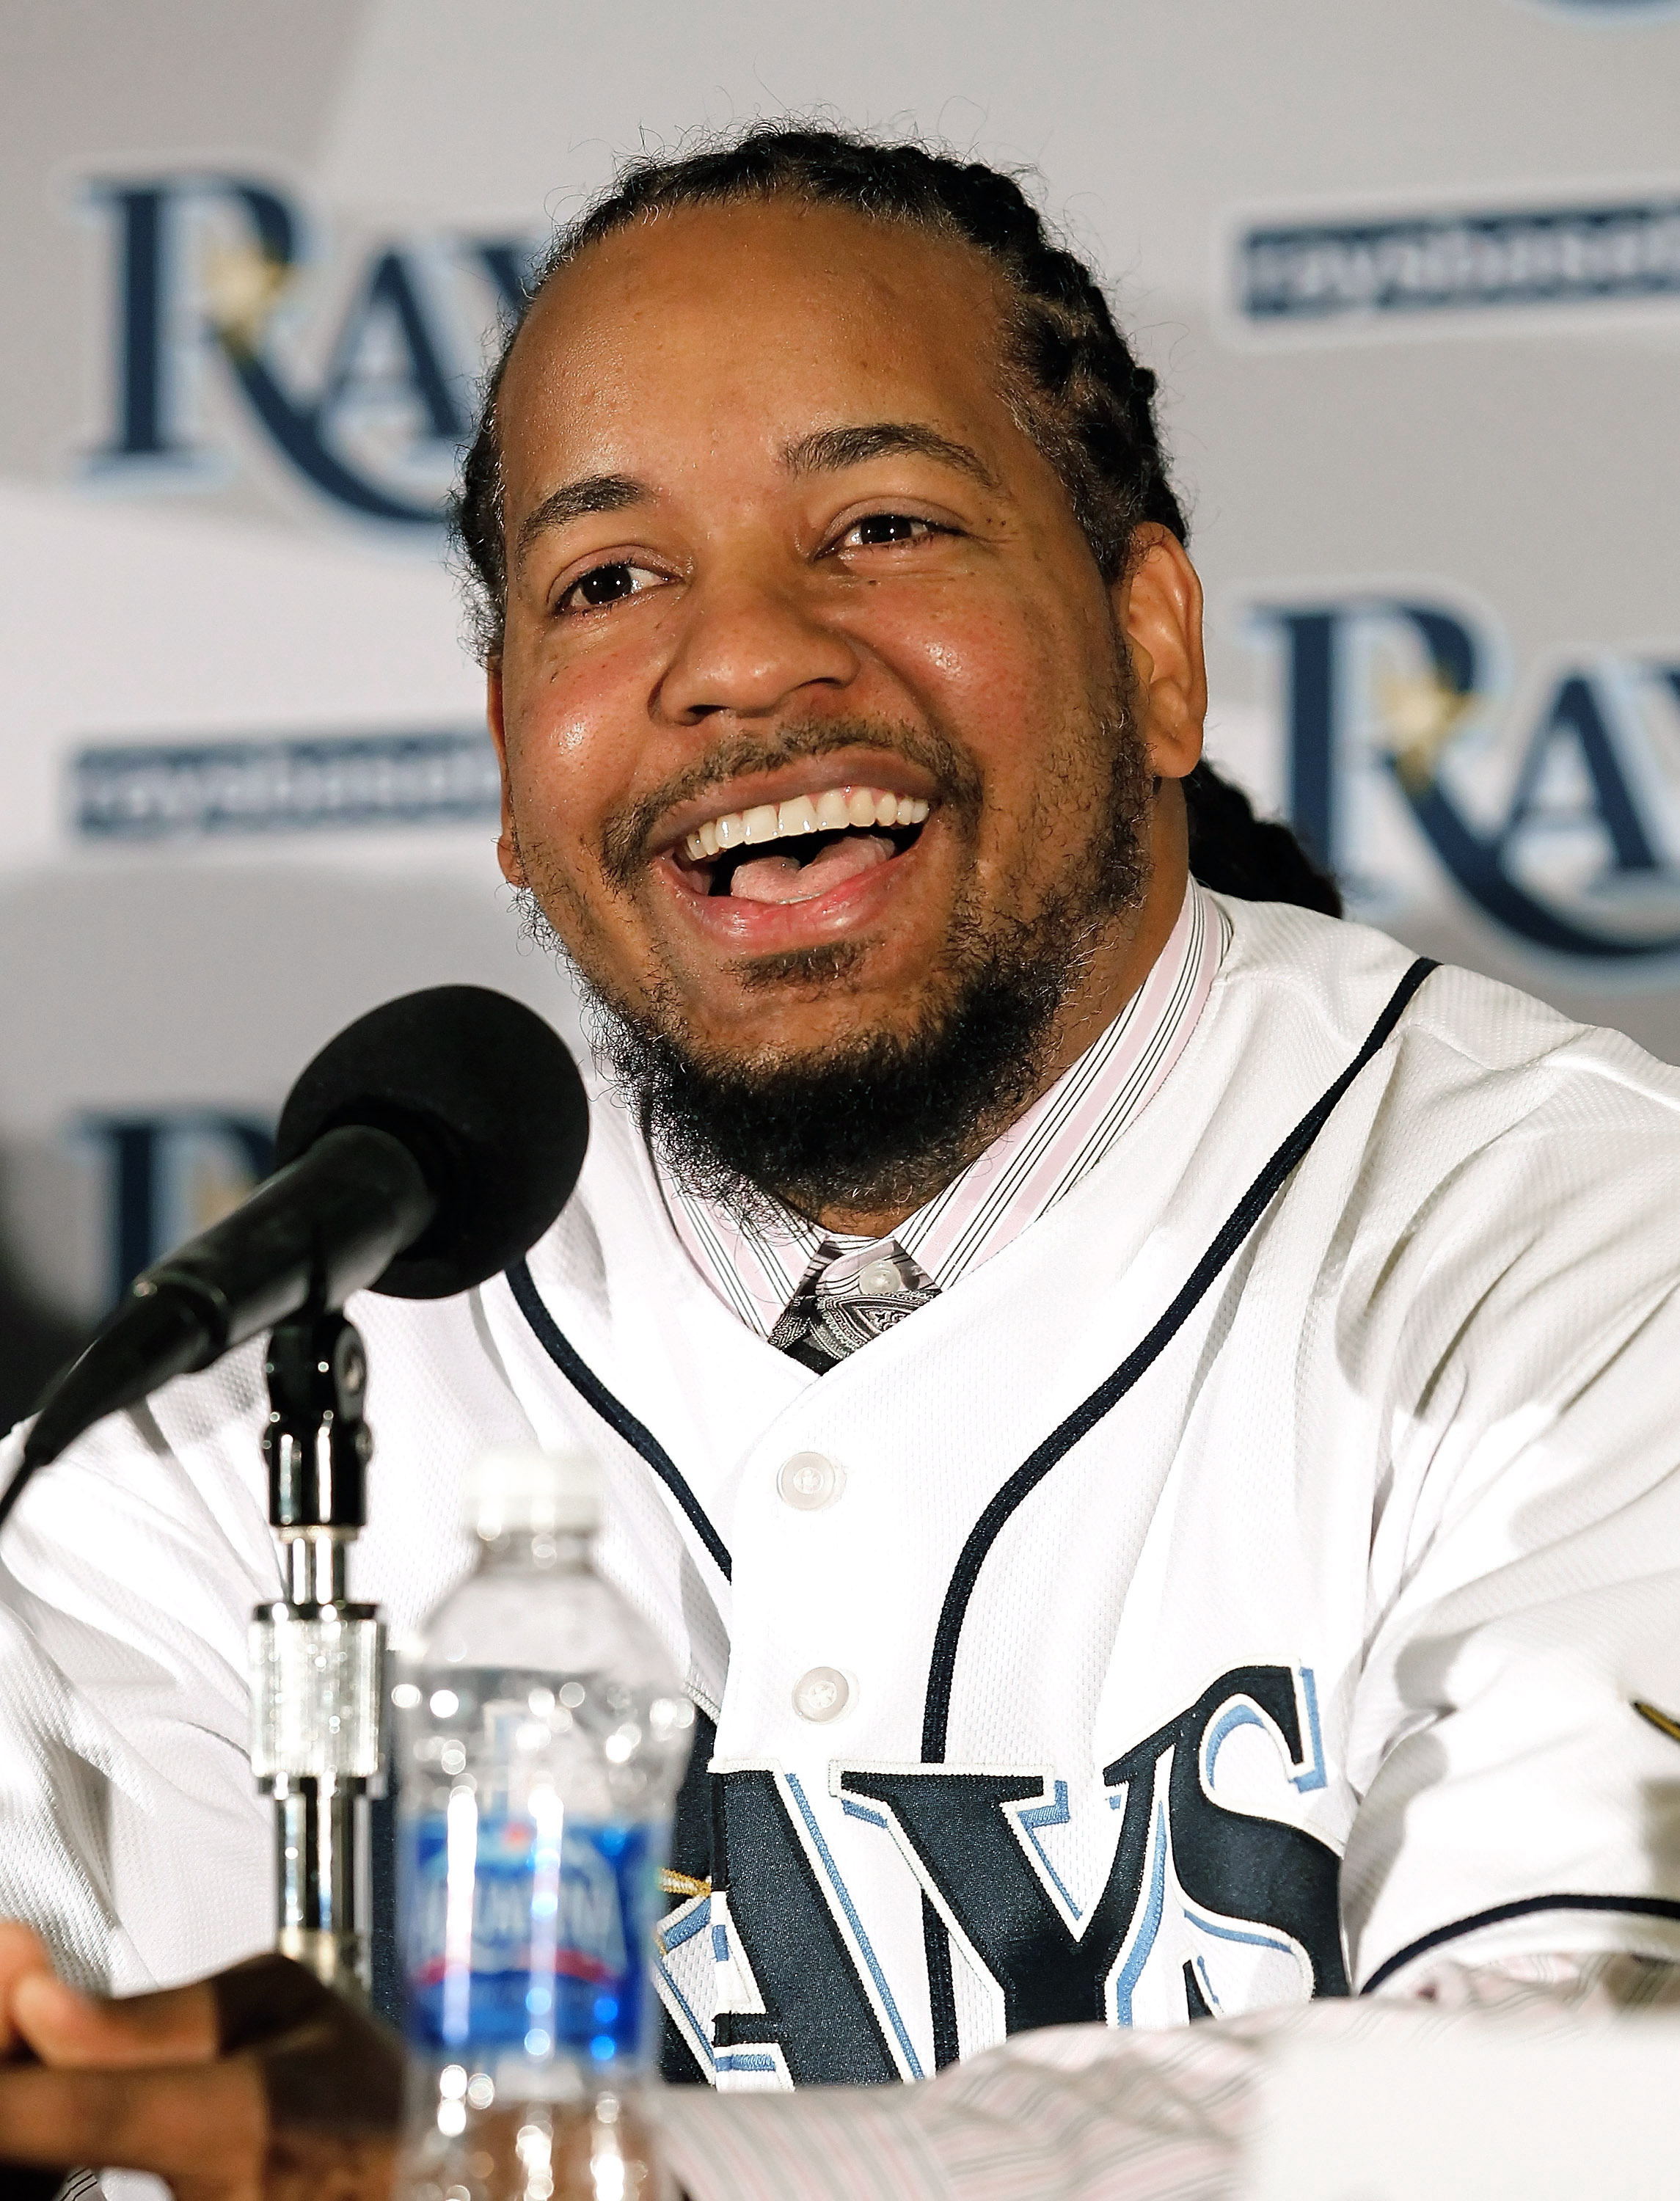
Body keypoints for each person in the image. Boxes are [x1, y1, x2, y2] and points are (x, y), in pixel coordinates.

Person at [3, 123, 1680, 2201]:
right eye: (608, 582)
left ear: (1155, 647)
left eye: (881, 525)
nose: (738, 660)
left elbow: (1566, 2109)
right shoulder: (272, 1380)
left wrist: (537, 2164)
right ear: (511, 764)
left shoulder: (1569, 1250)